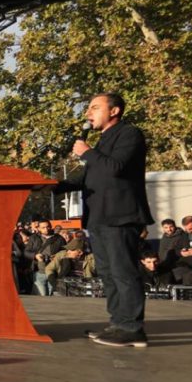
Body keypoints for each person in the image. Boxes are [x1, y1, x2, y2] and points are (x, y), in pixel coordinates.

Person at [59, 92, 154, 347]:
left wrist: (87, 152)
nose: (88, 113)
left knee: (124, 273)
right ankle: (117, 323)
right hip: (98, 218)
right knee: (109, 274)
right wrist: (53, 186)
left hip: (120, 215)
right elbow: (91, 179)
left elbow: (116, 168)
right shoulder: (101, 143)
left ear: (114, 111)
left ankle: (133, 328)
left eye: (94, 108)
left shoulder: (129, 134)